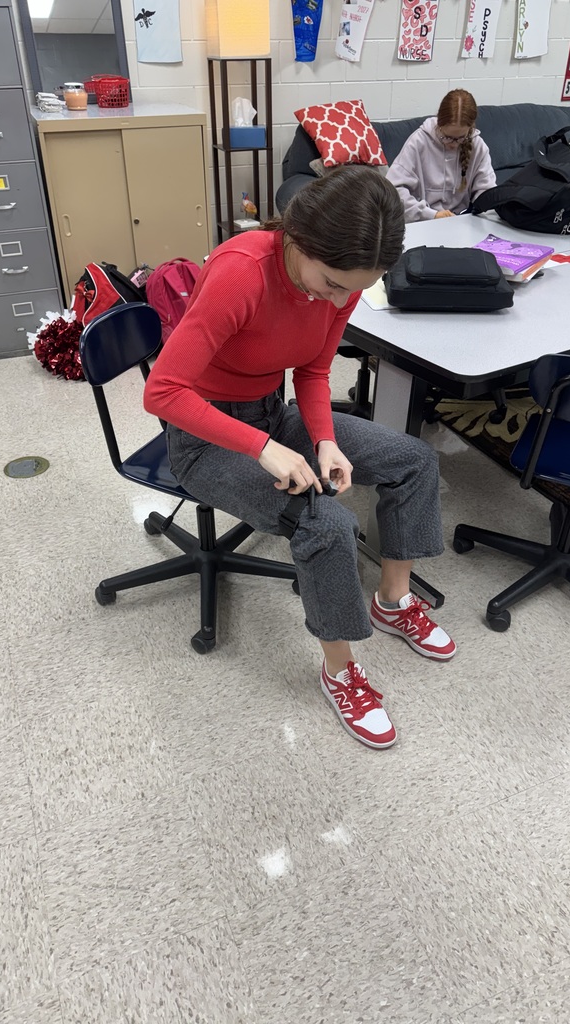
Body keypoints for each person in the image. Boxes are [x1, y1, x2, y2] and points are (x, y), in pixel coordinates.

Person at [143, 165, 456, 751]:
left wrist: (324, 440)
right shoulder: (243, 273)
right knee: (326, 522)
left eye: (352, 289)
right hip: (205, 437)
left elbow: (312, 369)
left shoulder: (344, 279)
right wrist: (263, 448)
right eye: (333, 283)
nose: (338, 298)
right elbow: (162, 393)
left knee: (413, 460)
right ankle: (339, 671)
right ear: (301, 240)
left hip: (272, 411)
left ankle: (392, 602)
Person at [386, 88, 496, 222]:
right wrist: (430, 214)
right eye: (447, 137)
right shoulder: (418, 142)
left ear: (470, 129)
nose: (453, 144)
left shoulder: (477, 146)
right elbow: (393, 191)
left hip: (460, 223)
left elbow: (487, 193)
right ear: (439, 123)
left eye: (461, 138)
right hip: (423, 222)